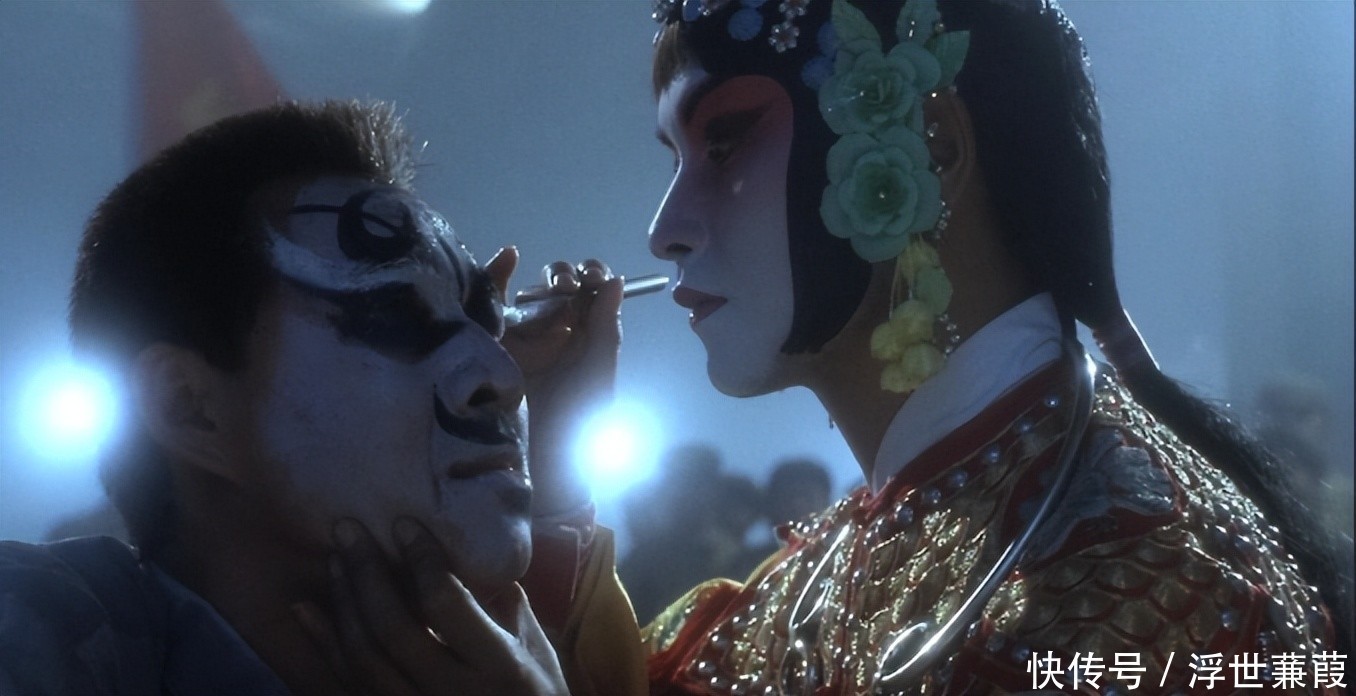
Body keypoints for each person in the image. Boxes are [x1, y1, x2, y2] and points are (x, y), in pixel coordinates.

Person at [634, 0, 1353, 692]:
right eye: (674, 162)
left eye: (723, 144)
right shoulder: (822, 571)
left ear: (933, 144)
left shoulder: (1157, 593)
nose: (665, 231)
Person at [0, 100, 643, 696]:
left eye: (485, 321)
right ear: (189, 407)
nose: (503, 375)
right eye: (392, 316)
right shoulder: (46, 641)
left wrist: (553, 488)